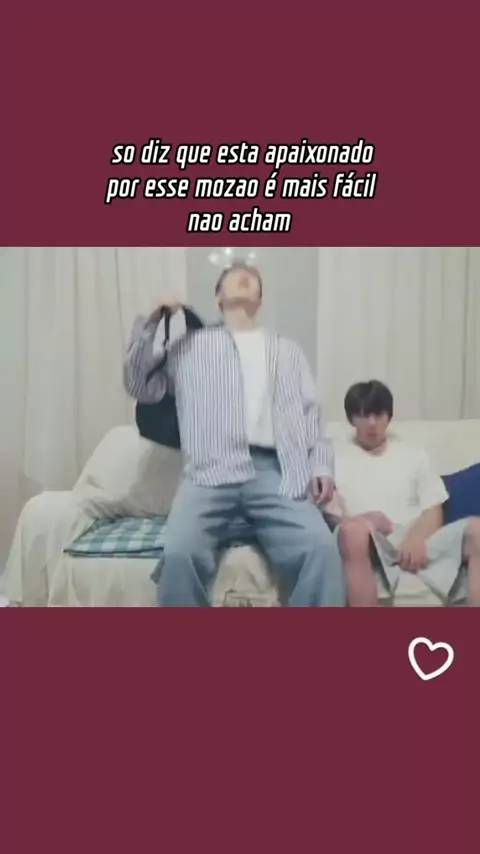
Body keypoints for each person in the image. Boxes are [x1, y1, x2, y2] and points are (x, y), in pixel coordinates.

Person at [123, 261, 345, 607]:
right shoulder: (188, 347)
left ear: (260, 300)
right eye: (233, 276)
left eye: (252, 278)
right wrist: (156, 319)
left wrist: (321, 467)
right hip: (207, 472)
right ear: (218, 297)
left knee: (321, 550)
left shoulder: (287, 351)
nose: (244, 274)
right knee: (179, 554)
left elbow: (312, 417)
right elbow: (139, 385)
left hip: (276, 472)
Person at [325, 380, 480, 606]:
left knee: (477, 530)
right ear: (351, 419)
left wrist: (417, 538)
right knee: (352, 532)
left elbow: (433, 507)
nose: (372, 423)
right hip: (370, 540)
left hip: (414, 535)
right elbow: (329, 513)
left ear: (389, 417)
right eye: (364, 415)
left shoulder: (412, 453)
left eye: (378, 414)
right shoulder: (333, 456)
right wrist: (364, 520)